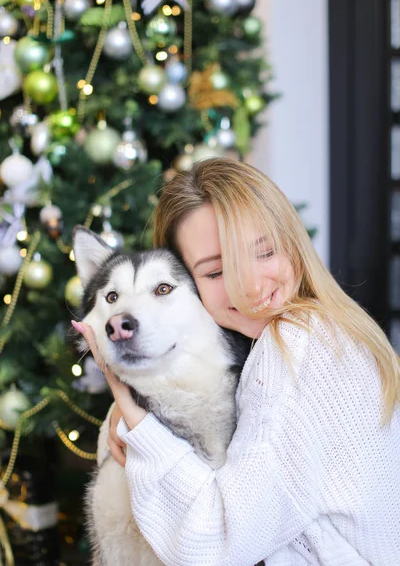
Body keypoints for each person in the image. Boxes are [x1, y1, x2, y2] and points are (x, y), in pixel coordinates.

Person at [72, 158, 400, 565]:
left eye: (263, 252)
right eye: (216, 272)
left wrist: (138, 422)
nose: (247, 286)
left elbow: (214, 543)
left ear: (292, 243)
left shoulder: (299, 346)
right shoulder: (313, 329)